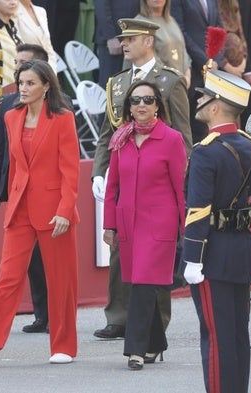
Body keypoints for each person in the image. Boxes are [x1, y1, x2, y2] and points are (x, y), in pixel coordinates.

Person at [0, 59, 79, 365]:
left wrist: (65, 210)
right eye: (21, 82)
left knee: (60, 280)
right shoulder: (12, 117)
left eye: (30, 83)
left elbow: (70, 170)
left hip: (55, 211)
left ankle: (63, 345)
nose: (22, 89)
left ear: (46, 87)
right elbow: (11, 163)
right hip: (20, 208)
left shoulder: (63, 118)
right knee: (7, 278)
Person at [92, 17, 190, 340]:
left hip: (158, 180)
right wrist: (99, 171)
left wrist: (181, 184)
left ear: (148, 41)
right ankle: (118, 316)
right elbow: (109, 134)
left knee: (157, 256)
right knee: (122, 249)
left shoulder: (170, 82)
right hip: (126, 175)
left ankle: (155, 321)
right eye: (123, 39)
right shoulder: (117, 84)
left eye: (130, 38)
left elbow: (183, 138)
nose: (124, 44)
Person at [182, 69, 251, 392]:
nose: (199, 99)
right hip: (242, 250)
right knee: (238, 334)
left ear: (215, 106)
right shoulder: (249, 146)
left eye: (204, 96)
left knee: (217, 336)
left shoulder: (207, 150)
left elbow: (198, 209)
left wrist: (192, 257)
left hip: (212, 253)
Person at [103, 80, 186, 370]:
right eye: (135, 100)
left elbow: (181, 188)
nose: (141, 105)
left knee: (142, 284)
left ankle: (135, 349)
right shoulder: (121, 139)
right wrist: (109, 225)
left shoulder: (172, 139)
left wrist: (188, 230)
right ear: (128, 106)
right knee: (140, 283)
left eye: (148, 100)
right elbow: (112, 186)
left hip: (159, 224)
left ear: (157, 105)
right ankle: (156, 343)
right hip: (128, 224)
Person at [0, 43, 52, 334]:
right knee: (27, 261)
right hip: (17, 193)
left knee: (48, 258)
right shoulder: (9, 103)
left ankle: (55, 313)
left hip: (46, 196)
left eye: (24, 64)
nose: (17, 68)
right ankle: (42, 314)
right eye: (16, 63)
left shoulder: (60, 108)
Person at [171, 0, 224, 143]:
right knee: (188, 127)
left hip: (210, 74)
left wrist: (215, 60)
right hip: (190, 69)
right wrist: (205, 62)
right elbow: (180, 32)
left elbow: (219, 28)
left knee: (204, 127)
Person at [137, 0, 191, 87]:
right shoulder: (139, 24)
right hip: (157, 87)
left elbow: (183, 51)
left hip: (180, 85)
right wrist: (175, 80)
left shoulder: (171, 20)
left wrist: (187, 77)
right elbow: (149, 60)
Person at [94, 0, 140, 89]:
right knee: (112, 86)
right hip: (114, 40)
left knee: (132, 85)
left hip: (135, 36)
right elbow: (101, 6)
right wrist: (110, 36)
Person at [15, 0, 56, 71]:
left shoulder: (41, 11)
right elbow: (17, 47)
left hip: (47, 71)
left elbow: (48, 48)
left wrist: (51, 73)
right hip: (25, 71)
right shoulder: (13, 12)